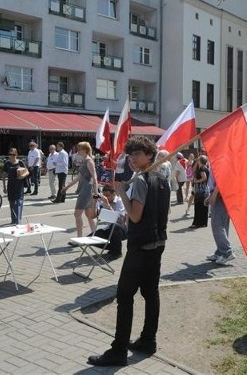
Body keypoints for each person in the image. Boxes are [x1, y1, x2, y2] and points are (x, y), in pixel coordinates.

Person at [88, 136, 169, 367]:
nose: (133, 159)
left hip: (141, 246)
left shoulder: (143, 180)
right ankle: (147, 340)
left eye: (138, 154)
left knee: (124, 296)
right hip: (158, 243)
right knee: (151, 293)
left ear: (150, 155)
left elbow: (134, 216)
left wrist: (122, 190)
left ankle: (118, 350)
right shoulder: (161, 177)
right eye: (130, 154)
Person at [61, 142, 98, 237]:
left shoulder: (89, 161)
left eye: (79, 148)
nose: (77, 150)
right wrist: (66, 187)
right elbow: (79, 177)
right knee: (89, 216)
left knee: (77, 214)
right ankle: (94, 235)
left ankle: (80, 238)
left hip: (86, 190)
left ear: (85, 150)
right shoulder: (86, 160)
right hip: (86, 190)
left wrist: (96, 193)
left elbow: (95, 177)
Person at [88, 184, 127, 259]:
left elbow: (119, 219)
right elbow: (92, 216)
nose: (105, 197)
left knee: (114, 227)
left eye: (108, 195)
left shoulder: (119, 201)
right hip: (110, 229)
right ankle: (113, 247)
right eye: (104, 195)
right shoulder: (102, 202)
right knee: (90, 238)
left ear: (114, 194)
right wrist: (94, 202)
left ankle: (117, 252)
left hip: (122, 229)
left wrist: (107, 204)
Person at [205, 180, 235, 265]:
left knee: (217, 225)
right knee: (223, 225)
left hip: (220, 195)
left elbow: (220, 178)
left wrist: (214, 195)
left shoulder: (219, 165)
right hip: (222, 194)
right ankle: (220, 252)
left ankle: (227, 251)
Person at [3, 148, 27, 225]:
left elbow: (27, 172)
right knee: (12, 203)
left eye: (14, 154)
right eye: (10, 154)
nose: (12, 156)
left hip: (19, 185)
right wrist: (4, 187)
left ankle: (17, 221)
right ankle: (13, 220)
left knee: (18, 203)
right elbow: (4, 175)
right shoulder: (7, 164)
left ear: (16, 155)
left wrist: (22, 176)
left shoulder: (20, 162)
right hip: (10, 185)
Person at [190, 155, 210, 229]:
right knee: (203, 206)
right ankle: (203, 222)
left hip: (200, 190)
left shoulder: (202, 169)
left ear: (200, 161)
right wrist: (196, 163)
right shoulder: (206, 168)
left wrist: (196, 181)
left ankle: (197, 223)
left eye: (198, 160)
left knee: (198, 206)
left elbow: (204, 177)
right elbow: (193, 171)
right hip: (205, 190)